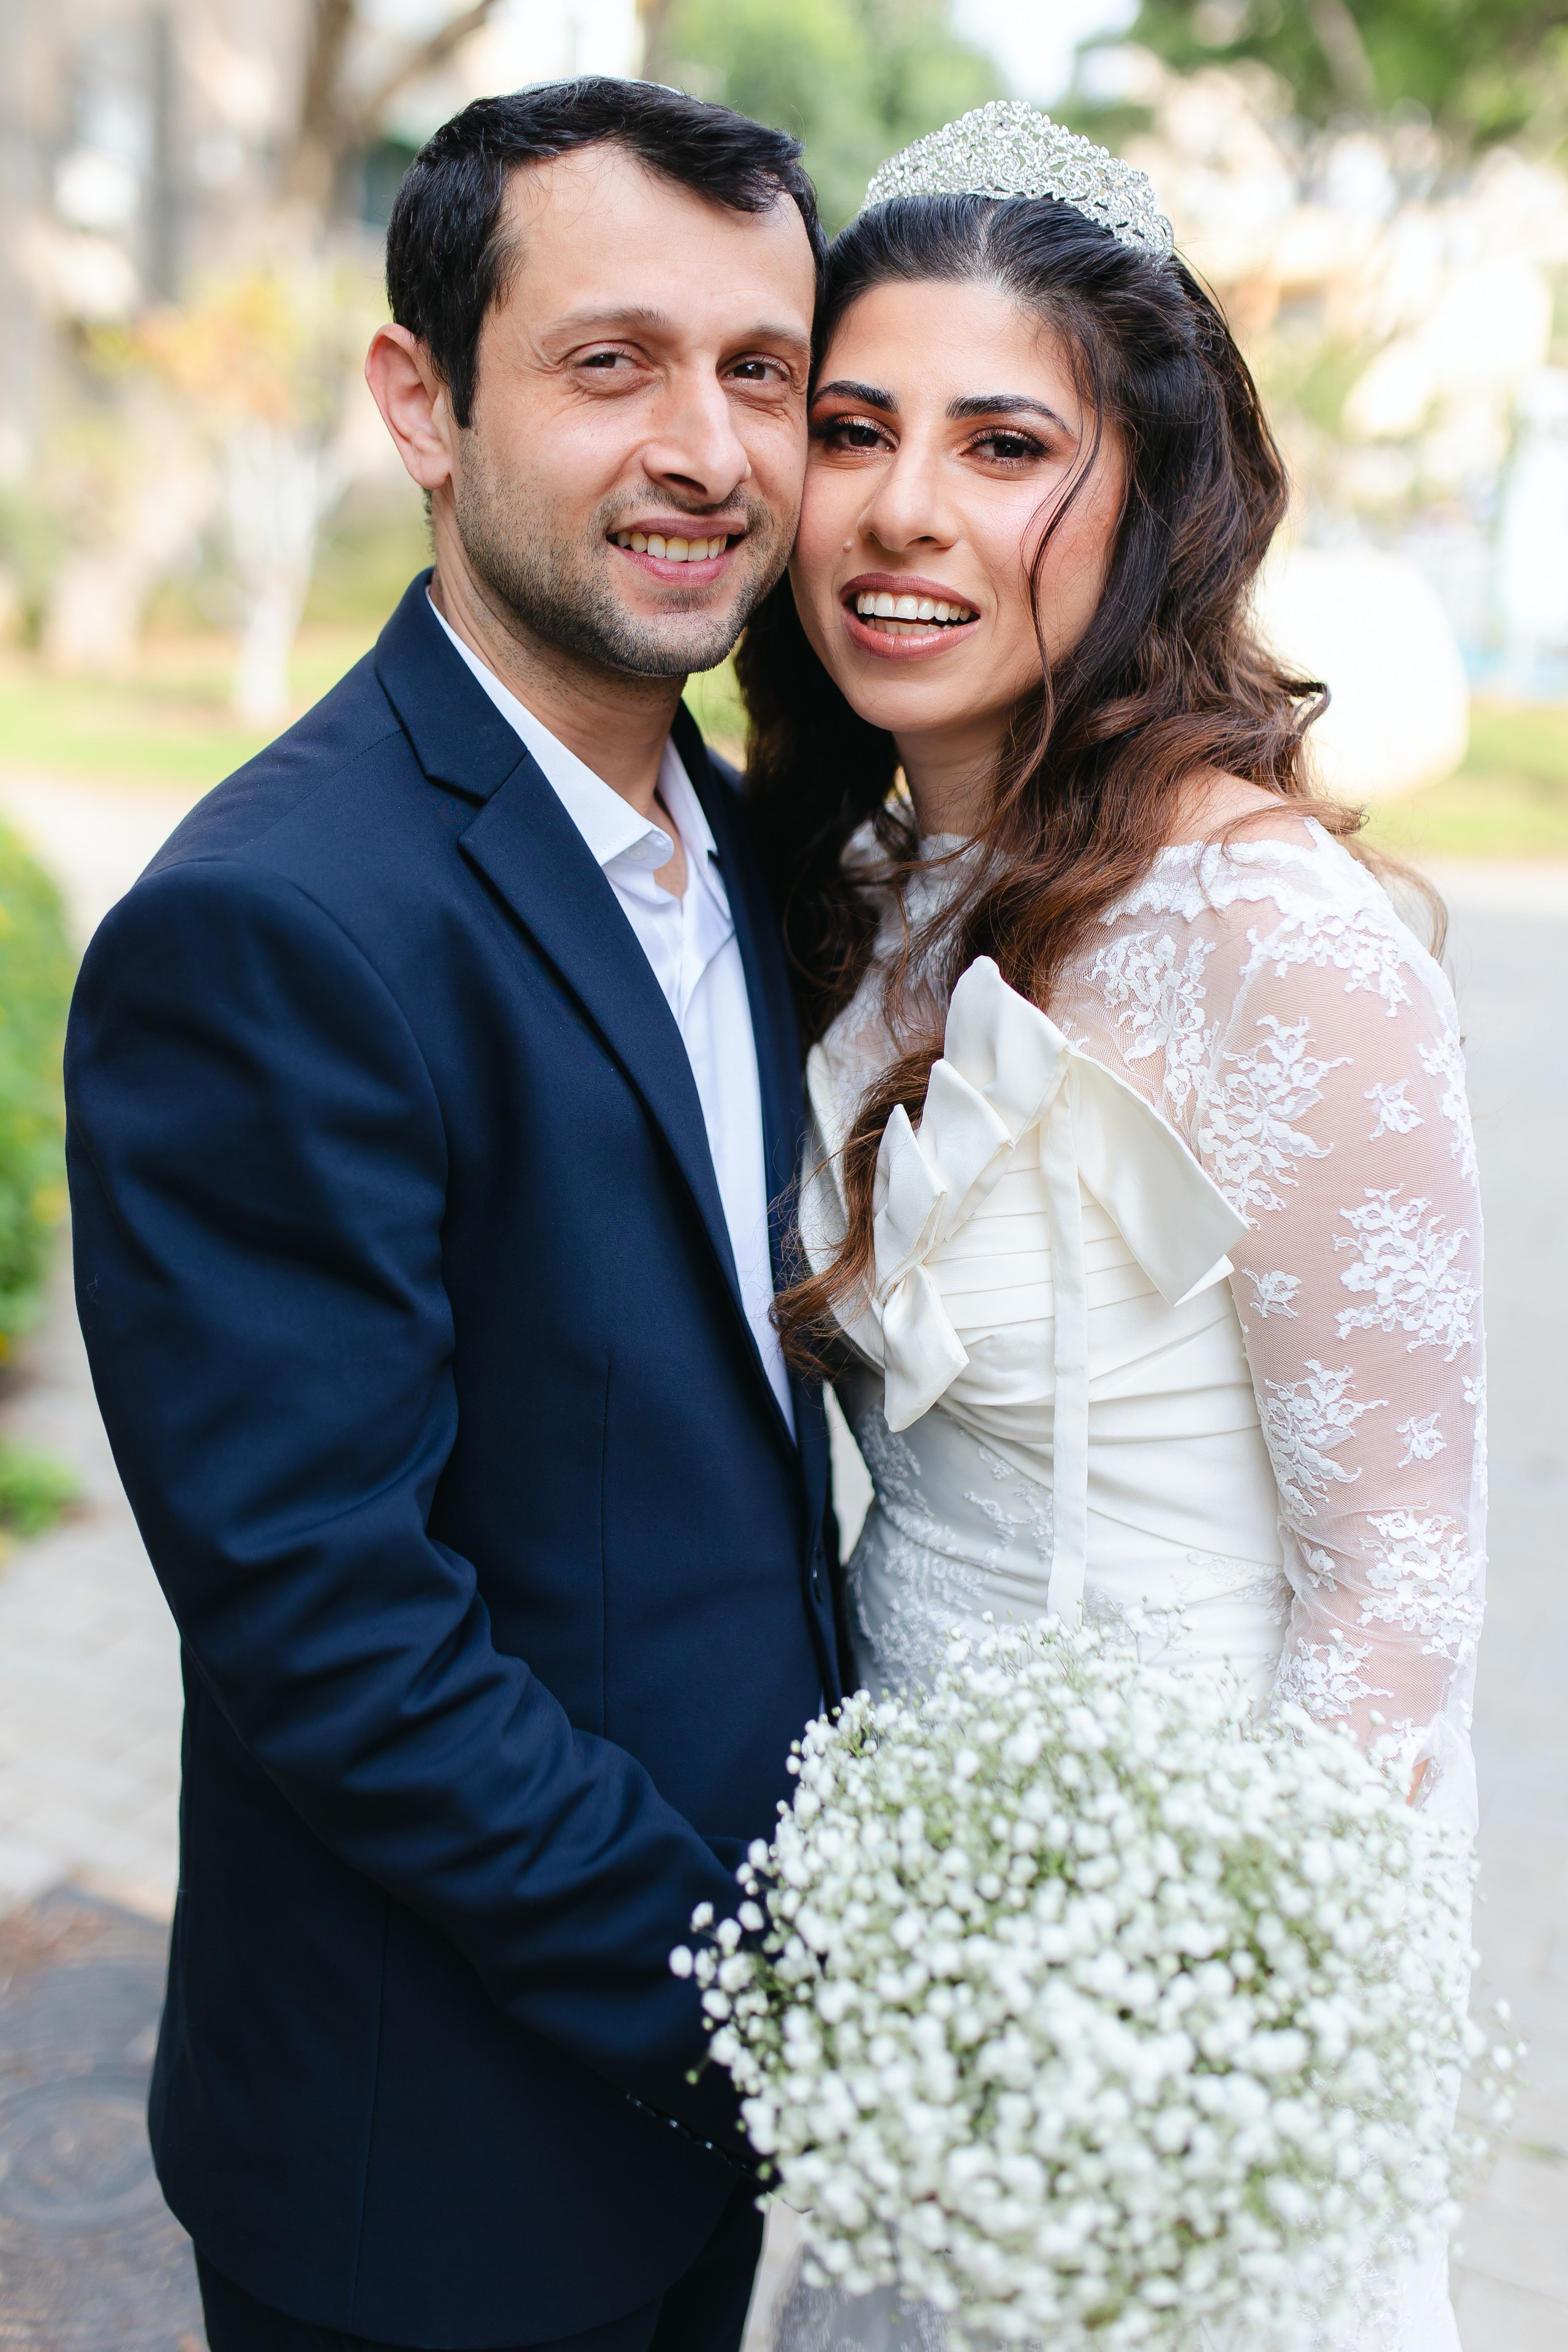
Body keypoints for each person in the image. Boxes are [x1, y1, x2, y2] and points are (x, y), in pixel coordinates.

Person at [65, 77, 839, 2352]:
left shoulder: (752, 848)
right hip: (445, 2170)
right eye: (612, 365)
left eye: (762, 373)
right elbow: (338, 1627)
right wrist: (755, 2006)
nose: (709, 447)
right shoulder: (276, 929)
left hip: (695, 2133)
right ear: (420, 398)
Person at [742, 104, 1483, 2351]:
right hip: (923, 1907)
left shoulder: (1280, 939)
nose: (900, 510)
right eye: (854, 429)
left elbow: (1400, 1594)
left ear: (1145, 493)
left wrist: (1204, 2036)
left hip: (1174, 1984)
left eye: (1001, 445)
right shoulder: (857, 898)